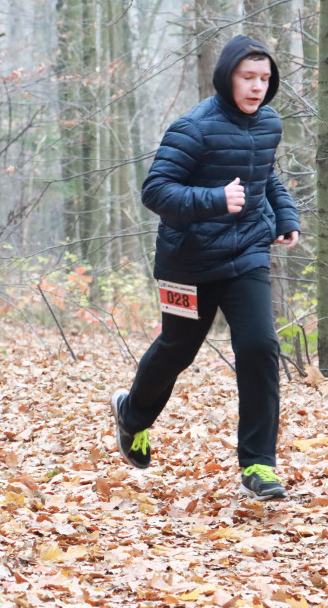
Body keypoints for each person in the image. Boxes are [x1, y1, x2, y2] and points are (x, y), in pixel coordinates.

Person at [110, 34, 300, 501]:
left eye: (265, 79)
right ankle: (132, 414)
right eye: (247, 77)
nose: (257, 88)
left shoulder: (268, 123)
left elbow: (264, 175)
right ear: (227, 76)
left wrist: (286, 214)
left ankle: (258, 463)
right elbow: (156, 191)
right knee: (178, 349)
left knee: (259, 347)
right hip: (188, 261)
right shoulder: (192, 128)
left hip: (247, 254)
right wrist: (216, 200)